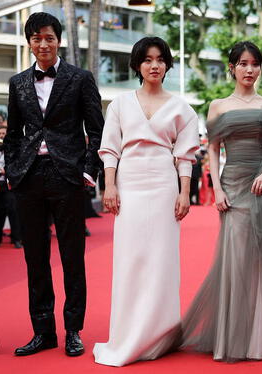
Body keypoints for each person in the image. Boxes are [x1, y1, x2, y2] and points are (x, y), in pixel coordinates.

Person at [179, 41, 262, 362]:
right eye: (242, 64)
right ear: (232, 68)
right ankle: (232, 334)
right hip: (231, 184)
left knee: (259, 257)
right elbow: (213, 150)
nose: (249, 70)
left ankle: (257, 339)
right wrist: (217, 188)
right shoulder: (217, 106)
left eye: (254, 64)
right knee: (235, 257)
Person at [93, 36, 199, 367]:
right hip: (130, 184)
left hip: (165, 186)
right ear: (138, 65)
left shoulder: (182, 108)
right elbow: (110, 148)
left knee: (162, 262)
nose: (154, 65)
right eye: (147, 59)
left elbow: (185, 157)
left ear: (167, 65)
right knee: (131, 260)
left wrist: (184, 192)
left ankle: (161, 334)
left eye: (160, 59)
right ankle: (127, 335)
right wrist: (109, 186)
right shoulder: (120, 105)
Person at [4, 12, 103, 357]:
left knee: (72, 256)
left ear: (58, 40)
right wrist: (15, 172)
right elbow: (12, 134)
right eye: (36, 39)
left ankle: (73, 330)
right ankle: (42, 330)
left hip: (68, 177)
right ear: (29, 42)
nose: (42, 44)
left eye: (48, 37)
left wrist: (89, 172)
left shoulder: (80, 78)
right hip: (30, 177)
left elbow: (97, 130)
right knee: (35, 258)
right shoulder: (17, 83)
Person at [0, 126, 22, 248]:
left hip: (8, 185)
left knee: (13, 211)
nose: (1, 135)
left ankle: (17, 239)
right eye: (0, 133)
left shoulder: (13, 150)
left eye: (3, 133)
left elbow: (17, 165)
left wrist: (5, 171)